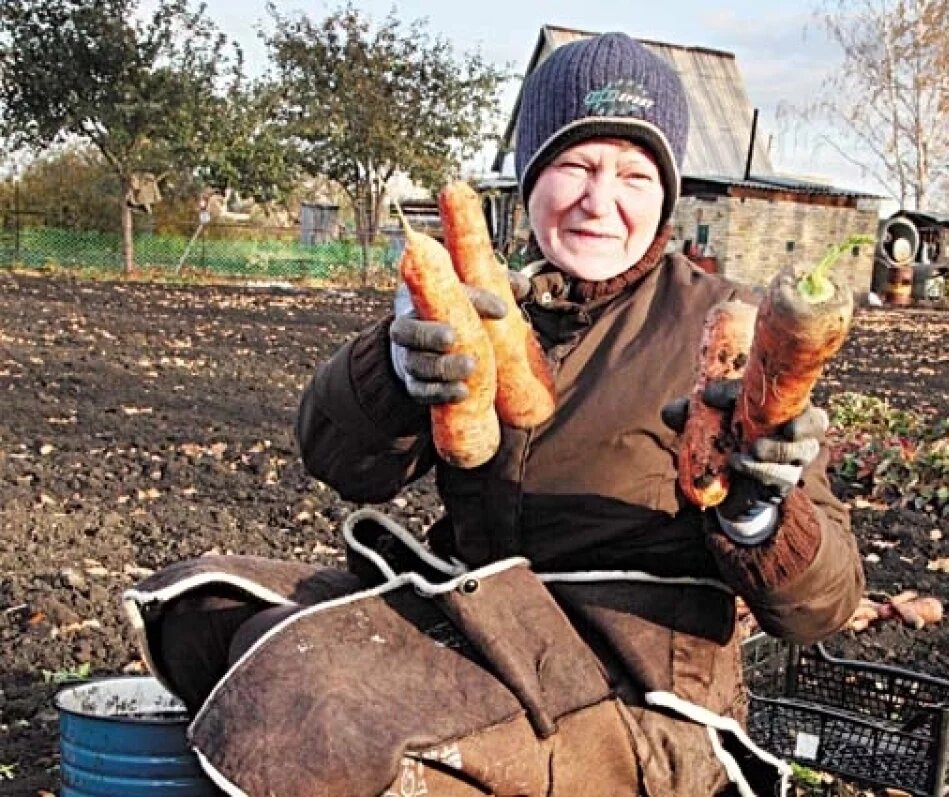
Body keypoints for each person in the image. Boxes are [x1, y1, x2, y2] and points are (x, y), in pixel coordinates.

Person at [124, 32, 862, 797]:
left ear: (667, 196)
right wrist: (396, 370)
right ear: (530, 174)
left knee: (311, 702)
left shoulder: (728, 334)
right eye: (575, 164)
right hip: (480, 629)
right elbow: (338, 461)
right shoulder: (485, 303)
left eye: (634, 174)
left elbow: (826, 605)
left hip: (634, 690)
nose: (599, 200)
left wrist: (759, 515)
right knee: (198, 603)